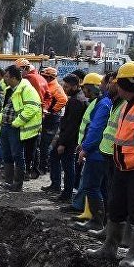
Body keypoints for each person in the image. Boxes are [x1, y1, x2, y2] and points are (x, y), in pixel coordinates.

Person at [92, 62, 134, 267]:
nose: (116, 87)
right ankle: (110, 248)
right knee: (116, 207)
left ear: (129, 84)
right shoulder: (128, 103)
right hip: (121, 166)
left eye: (119, 83)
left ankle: (133, 254)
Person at [70, 73, 114, 228]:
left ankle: (97, 221)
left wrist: (86, 147)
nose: (102, 85)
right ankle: (103, 221)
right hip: (103, 151)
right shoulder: (107, 102)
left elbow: (96, 128)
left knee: (91, 186)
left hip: (97, 152)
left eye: (103, 83)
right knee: (101, 187)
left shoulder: (103, 103)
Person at [0, 65, 42, 192]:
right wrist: (1, 118)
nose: (4, 79)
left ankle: (17, 184)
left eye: (6, 77)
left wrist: (16, 123)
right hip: (6, 126)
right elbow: (5, 106)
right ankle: (8, 182)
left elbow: (32, 108)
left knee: (17, 155)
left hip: (15, 128)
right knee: (7, 155)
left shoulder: (26, 89)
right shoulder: (10, 89)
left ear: (14, 78)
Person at [43, 74, 87, 202]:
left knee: (68, 166)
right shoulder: (77, 98)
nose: (64, 88)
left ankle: (66, 193)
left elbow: (72, 125)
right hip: (68, 137)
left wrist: (62, 143)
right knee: (55, 157)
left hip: (69, 139)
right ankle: (56, 185)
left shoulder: (76, 101)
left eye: (67, 86)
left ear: (75, 85)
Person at [18, 60, 52, 179]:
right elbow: (48, 96)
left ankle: (27, 171)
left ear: (25, 68)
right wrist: (44, 108)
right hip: (38, 116)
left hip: (30, 116)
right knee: (34, 145)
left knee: (28, 146)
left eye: (19, 70)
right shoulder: (40, 78)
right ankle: (34, 170)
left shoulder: (28, 79)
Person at [38, 66, 68, 175]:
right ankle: (43, 165)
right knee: (42, 143)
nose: (43, 77)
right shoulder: (48, 85)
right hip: (47, 117)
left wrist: (53, 110)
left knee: (45, 144)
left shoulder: (55, 87)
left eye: (45, 76)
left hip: (51, 119)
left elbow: (63, 100)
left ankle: (44, 166)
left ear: (51, 77)